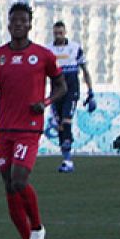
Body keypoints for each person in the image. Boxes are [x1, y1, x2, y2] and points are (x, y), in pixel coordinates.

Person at [0, 2, 66, 239]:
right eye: (14, 20)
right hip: (4, 129)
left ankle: (37, 228)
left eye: (22, 21)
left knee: (18, 180)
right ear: (8, 25)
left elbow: (62, 87)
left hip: (29, 128)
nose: (18, 24)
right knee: (9, 185)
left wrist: (45, 103)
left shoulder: (43, 55)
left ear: (29, 25)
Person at [46, 21, 94, 174]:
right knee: (60, 125)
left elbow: (85, 70)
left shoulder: (75, 48)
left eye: (60, 33)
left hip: (71, 90)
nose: (58, 35)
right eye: (56, 33)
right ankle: (66, 159)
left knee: (66, 121)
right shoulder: (48, 50)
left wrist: (90, 92)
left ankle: (68, 160)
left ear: (65, 32)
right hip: (56, 91)